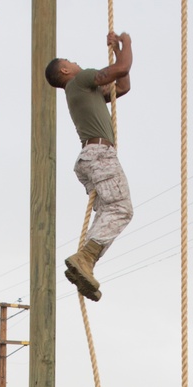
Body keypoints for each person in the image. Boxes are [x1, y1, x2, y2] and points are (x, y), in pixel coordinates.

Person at [44, 30, 133, 302]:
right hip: (99, 154)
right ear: (65, 69)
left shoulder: (84, 92)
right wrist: (126, 43)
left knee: (107, 212)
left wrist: (117, 51)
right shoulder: (80, 81)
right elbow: (121, 69)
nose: (77, 62)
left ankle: (85, 264)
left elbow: (123, 85)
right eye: (71, 60)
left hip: (89, 158)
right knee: (121, 209)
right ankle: (85, 258)